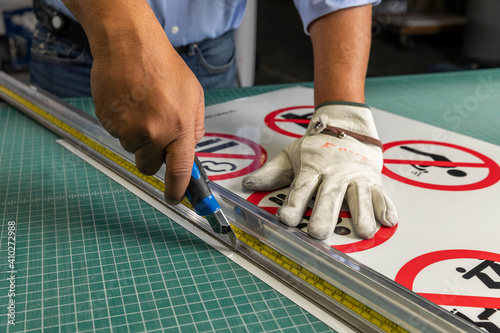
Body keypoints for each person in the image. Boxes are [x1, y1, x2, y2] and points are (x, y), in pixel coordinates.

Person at [30, 0, 398, 241]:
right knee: (54, 203)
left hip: (210, 53)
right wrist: (123, 35)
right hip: (79, 51)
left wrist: (341, 112)